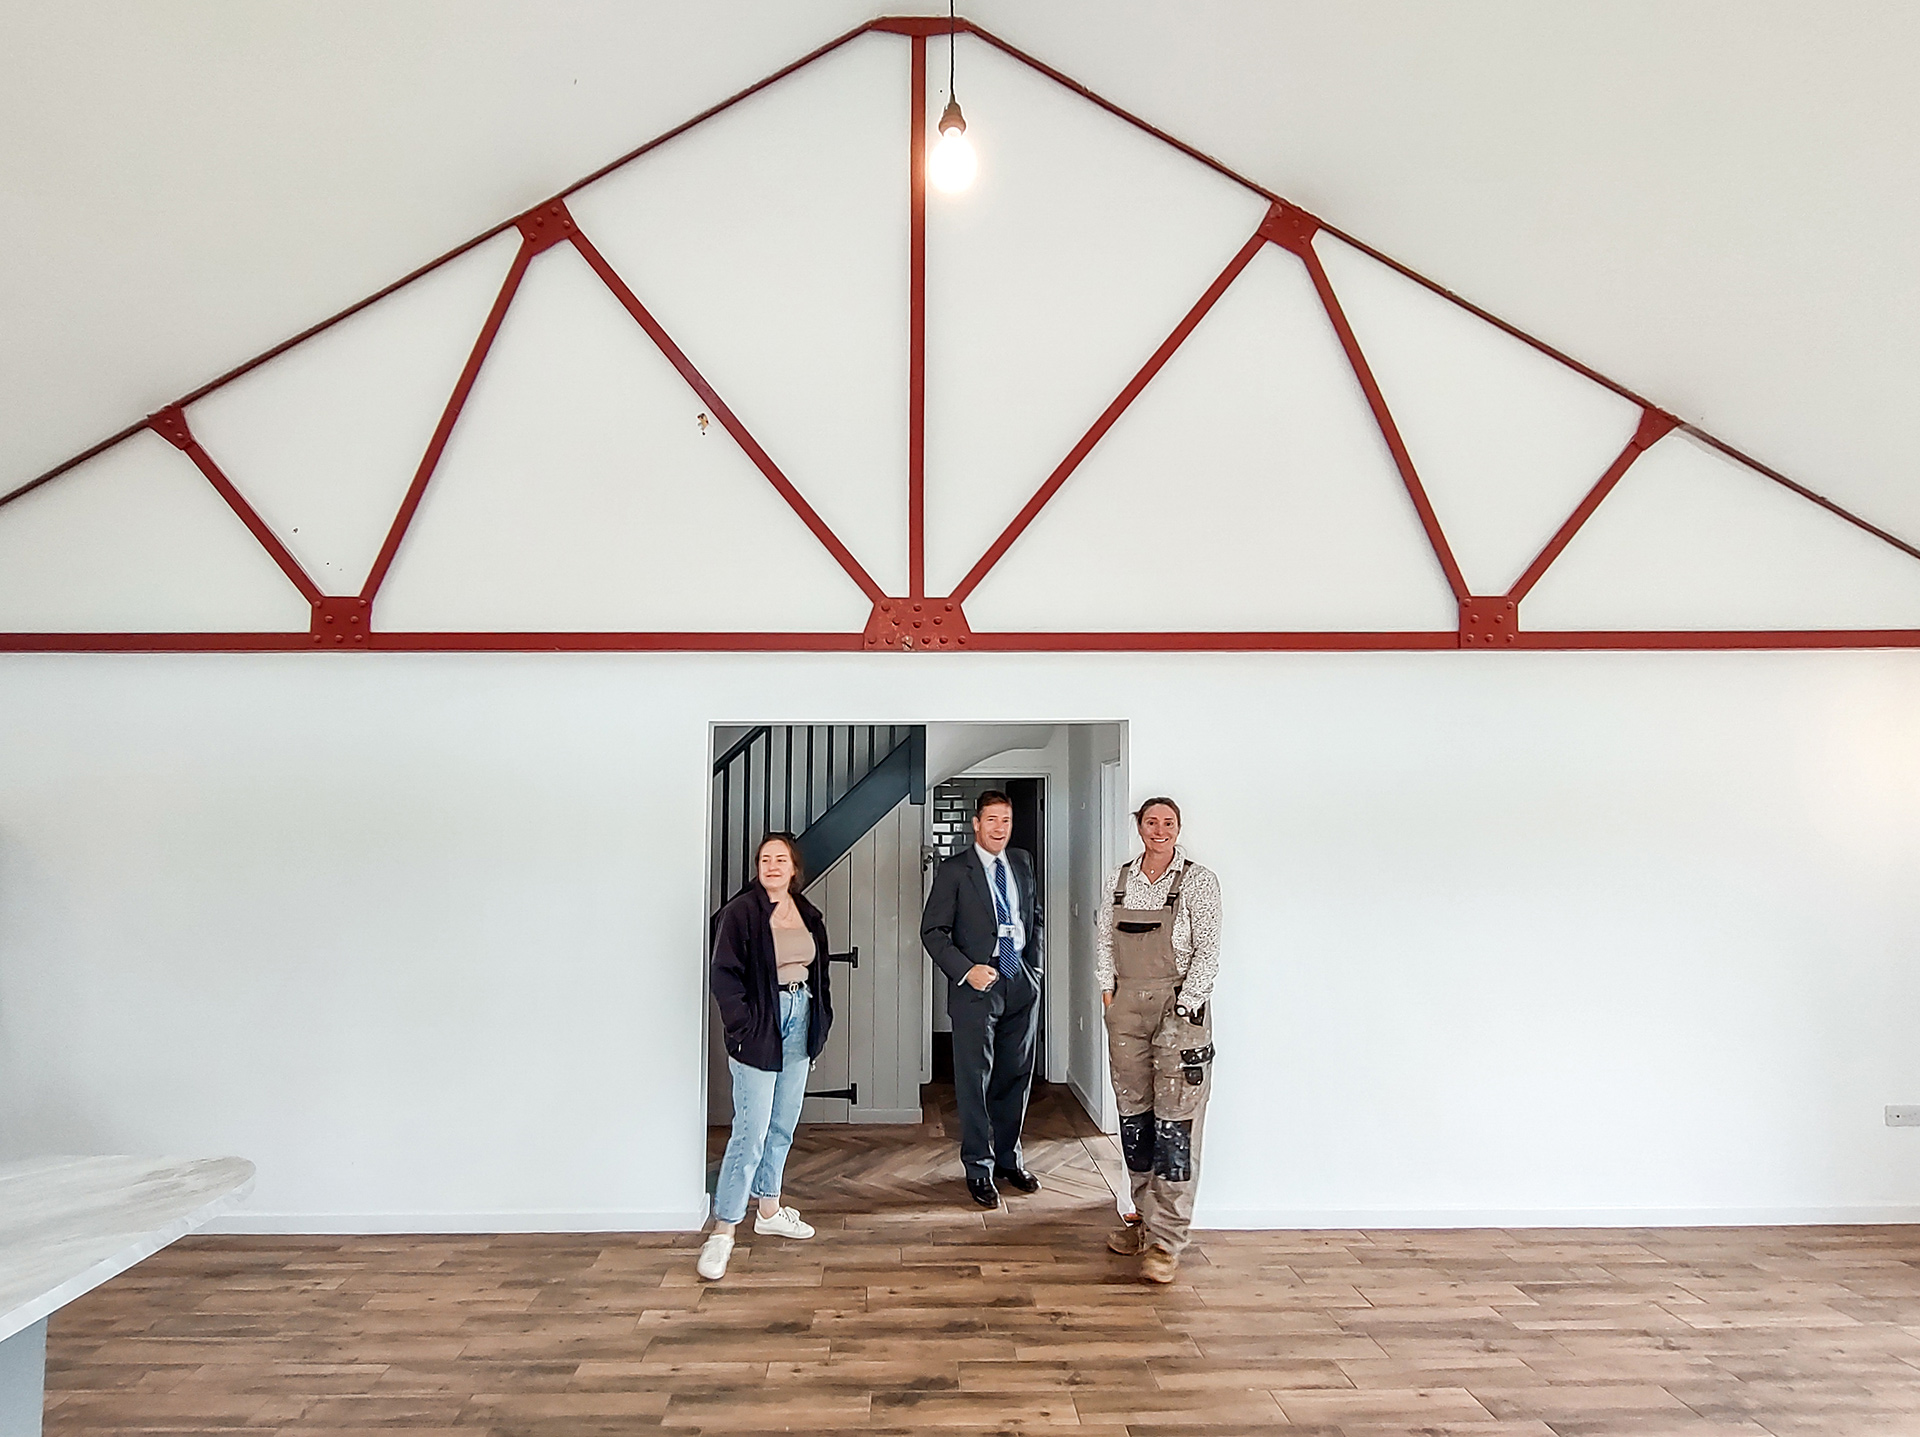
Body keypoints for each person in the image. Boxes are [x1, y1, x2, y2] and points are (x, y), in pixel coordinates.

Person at [699, 832, 833, 1281]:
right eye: (764, 859)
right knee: (750, 1131)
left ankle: (769, 1209)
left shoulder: (809, 915)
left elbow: (821, 975)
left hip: (800, 1020)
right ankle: (723, 1231)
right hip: (760, 1024)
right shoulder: (740, 914)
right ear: (757, 867)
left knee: (782, 1124)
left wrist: (818, 1028)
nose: (772, 865)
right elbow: (724, 976)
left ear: (794, 868)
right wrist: (742, 1026)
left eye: (781, 859)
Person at [1099, 796, 1222, 1284]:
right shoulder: (1121, 878)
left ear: (1178, 827)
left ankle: (1169, 1241)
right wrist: (1107, 991)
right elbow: (1105, 940)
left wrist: (1187, 1005)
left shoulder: (1198, 881)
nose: (1159, 829)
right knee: (1135, 1120)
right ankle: (1144, 1223)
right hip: (1125, 1009)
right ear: (1139, 827)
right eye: (1151, 822)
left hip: (1179, 1012)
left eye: (1168, 822)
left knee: (1175, 1127)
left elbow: (1209, 951)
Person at [920, 789, 1043, 1208]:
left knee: (1016, 1075)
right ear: (976, 824)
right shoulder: (956, 869)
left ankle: (1009, 1159)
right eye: (991, 820)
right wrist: (966, 970)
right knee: (975, 1081)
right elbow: (932, 931)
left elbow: (1034, 916)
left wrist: (1035, 969)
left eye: (1005, 821)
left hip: (1020, 981)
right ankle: (978, 1167)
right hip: (977, 986)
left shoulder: (1023, 863)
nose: (999, 828)